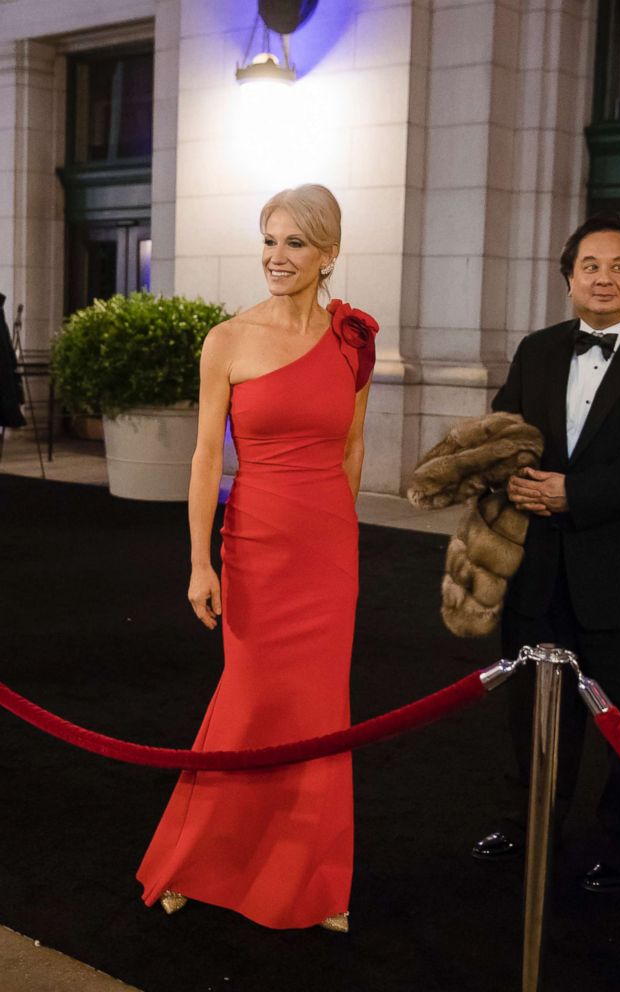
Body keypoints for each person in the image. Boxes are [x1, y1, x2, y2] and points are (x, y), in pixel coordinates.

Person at [137, 184, 377, 932]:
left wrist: (342, 533)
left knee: (318, 711)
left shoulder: (352, 338)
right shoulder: (228, 340)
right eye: (269, 240)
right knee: (246, 703)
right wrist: (198, 562)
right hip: (257, 542)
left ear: (328, 253)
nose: (276, 257)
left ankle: (315, 882)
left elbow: (351, 446)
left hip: (328, 548)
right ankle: (198, 859)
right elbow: (207, 457)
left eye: (294, 243)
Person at [472, 214, 620, 891]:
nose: (602, 278)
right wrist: (507, 473)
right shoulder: (538, 349)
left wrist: (575, 492)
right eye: (589, 266)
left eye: (617, 267)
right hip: (538, 571)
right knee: (533, 717)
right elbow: (503, 430)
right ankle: (529, 826)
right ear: (569, 277)